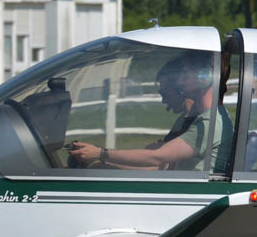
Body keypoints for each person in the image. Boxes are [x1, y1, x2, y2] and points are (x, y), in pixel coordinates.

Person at [68, 52, 232, 172]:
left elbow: (158, 158)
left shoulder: (210, 123)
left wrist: (101, 154)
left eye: (185, 74)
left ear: (205, 77)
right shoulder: (207, 119)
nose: (179, 81)